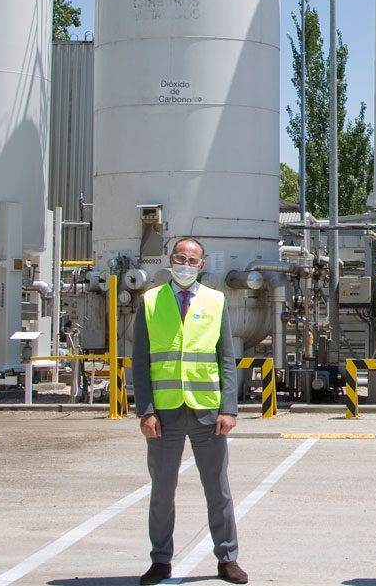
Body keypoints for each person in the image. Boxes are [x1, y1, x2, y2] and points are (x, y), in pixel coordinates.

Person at [130, 238, 246, 586]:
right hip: (164, 414)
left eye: (192, 259)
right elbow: (140, 363)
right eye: (180, 258)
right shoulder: (150, 301)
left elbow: (226, 358)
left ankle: (228, 559)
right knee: (162, 491)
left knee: (218, 489)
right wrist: (145, 411)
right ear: (170, 260)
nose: (185, 264)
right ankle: (160, 560)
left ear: (202, 264)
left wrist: (229, 407)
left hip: (207, 411)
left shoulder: (216, 301)